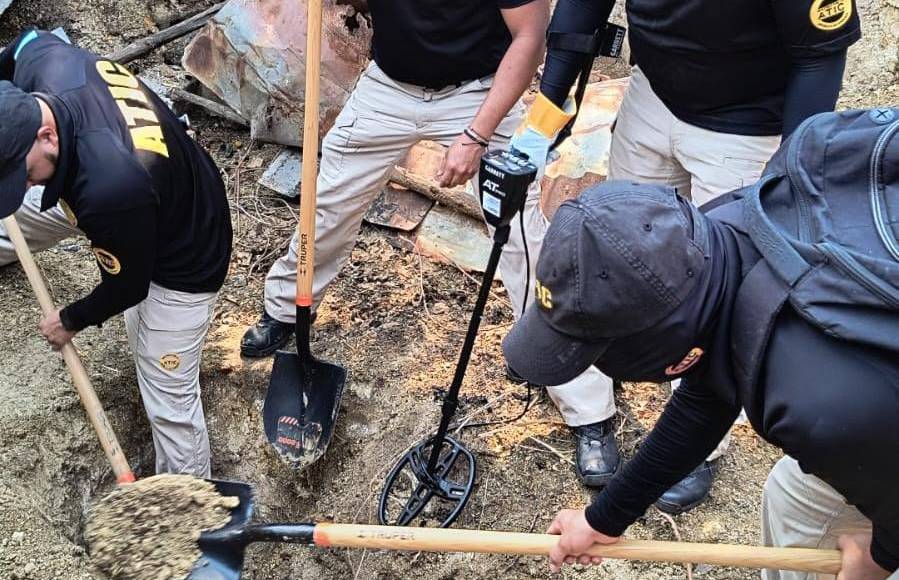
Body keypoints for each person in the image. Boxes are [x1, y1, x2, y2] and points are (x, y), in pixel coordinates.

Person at [502, 111, 899, 578]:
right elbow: (709, 391)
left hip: (874, 419)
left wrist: (878, 559)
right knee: (796, 501)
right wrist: (604, 518)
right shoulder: (724, 232)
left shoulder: (823, 408)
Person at [239, 0, 621, 487]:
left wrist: (476, 135)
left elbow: (529, 39)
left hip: (476, 93)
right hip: (387, 88)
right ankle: (287, 307)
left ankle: (586, 405)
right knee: (326, 203)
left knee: (523, 236)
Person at [509, 0, 862, 512]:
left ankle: (697, 444)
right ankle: (590, 386)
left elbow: (819, 57)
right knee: (613, 256)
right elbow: (582, 8)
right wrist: (545, 117)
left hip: (747, 128)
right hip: (652, 100)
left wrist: (786, 174)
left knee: (724, 299)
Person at [0, 30, 233, 477]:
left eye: (24, 175)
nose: (24, 185)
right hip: (132, 187)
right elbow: (22, 43)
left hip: (183, 252)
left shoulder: (112, 190)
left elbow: (128, 285)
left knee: (166, 391)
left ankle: (189, 510)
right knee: (15, 218)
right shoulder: (43, 61)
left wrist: (68, 320)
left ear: (46, 134)